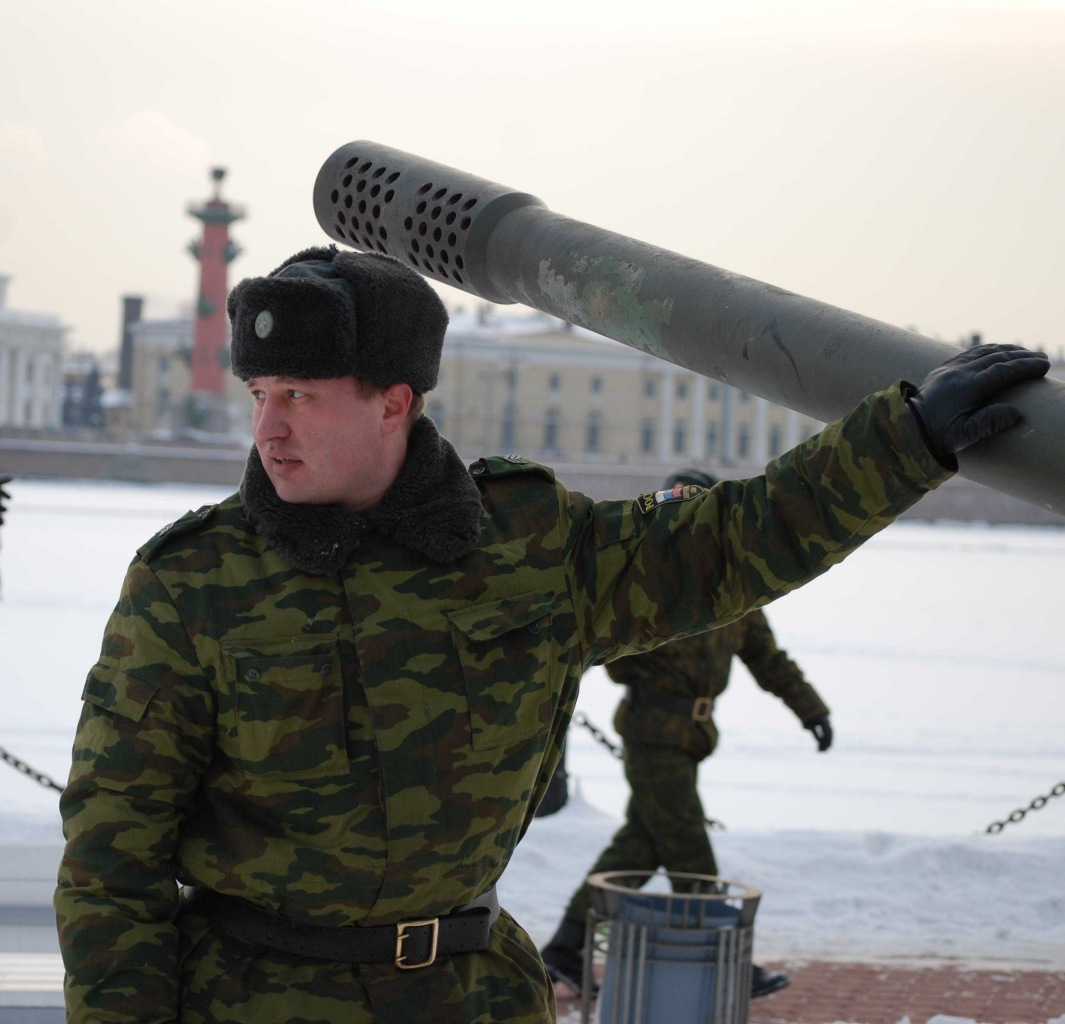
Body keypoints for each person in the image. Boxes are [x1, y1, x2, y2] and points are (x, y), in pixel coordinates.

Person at [53, 244, 1049, 1024]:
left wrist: (904, 440)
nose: (269, 428)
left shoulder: (525, 544)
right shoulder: (193, 583)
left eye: (300, 397)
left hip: (472, 997)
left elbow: (730, 543)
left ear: (393, 402)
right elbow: (111, 863)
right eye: (260, 396)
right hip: (251, 1001)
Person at [541, 472, 830, 999]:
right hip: (651, 731)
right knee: (687, 847)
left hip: (693, 735)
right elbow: (594, 642)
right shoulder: (643, 573)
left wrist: (809, 707)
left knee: (642, 844)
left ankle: (565, 947)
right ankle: (724, 956)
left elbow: (767, 658)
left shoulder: (736, 579)